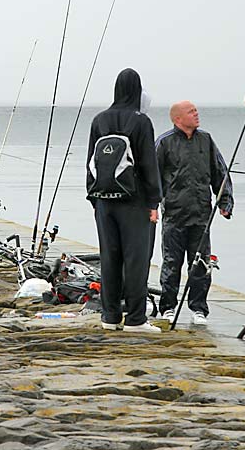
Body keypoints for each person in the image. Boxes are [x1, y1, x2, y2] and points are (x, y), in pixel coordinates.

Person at [86, 68, 162, 333]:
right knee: (136, 259)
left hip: (103, 200)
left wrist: (94, 198)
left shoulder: (99, 120)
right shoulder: (141, 122)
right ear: (137, 91)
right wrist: (154, 201)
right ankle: (135, 319)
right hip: (135, 201)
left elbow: (90, 162)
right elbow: (148, 164)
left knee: (109, 257)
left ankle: (110, 316)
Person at [155, 101, 234, 325]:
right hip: (174, 214)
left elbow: (220, 172)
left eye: (196, 110)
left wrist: (225, 201)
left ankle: (199, 308)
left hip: (201, 214)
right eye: (191, 112)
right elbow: (153, 178)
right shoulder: (164, 142)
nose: (196, 114)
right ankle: (168, 306)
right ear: (178, 119)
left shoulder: (206, 140)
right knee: (172, 262)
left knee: (201, 263)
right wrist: (151, 206)